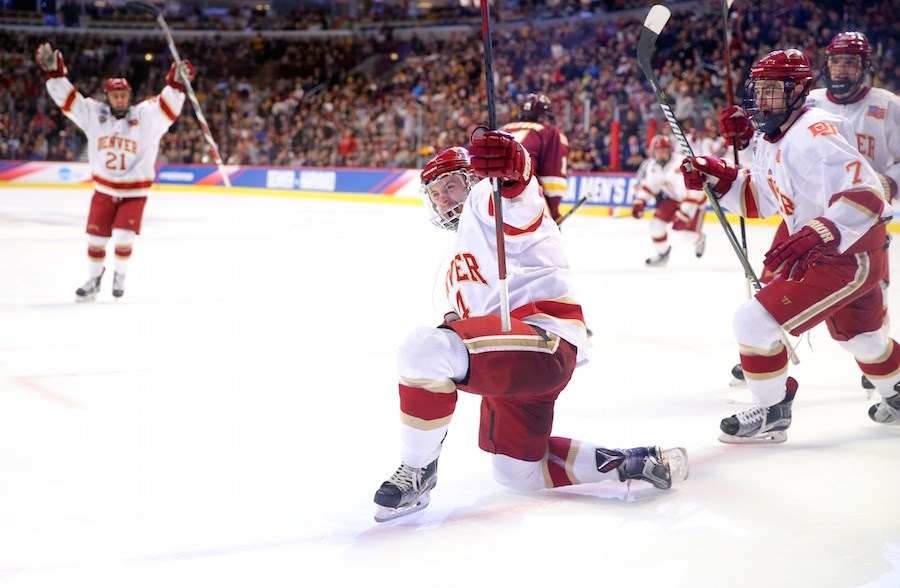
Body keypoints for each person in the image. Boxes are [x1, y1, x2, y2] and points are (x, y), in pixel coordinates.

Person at [372, 129, 688, 522]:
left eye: (450, 185)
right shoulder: (449, 271)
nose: (444, 199)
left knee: (423, 350)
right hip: (511, 362)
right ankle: (633, 462)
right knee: (515, 472)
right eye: (436, 194)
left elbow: (519, 196)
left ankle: (417, 471)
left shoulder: (488, 202)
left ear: (473, 180)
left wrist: (512, 170)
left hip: (544, 338)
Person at [683, 48, 900, 443]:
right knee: (863, 339)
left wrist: (822, 230)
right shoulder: (775, 135)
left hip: (847, 255)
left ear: (800, 90)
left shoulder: (815, 133)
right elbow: (765, 199)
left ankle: (772, 412)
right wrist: (722, 179)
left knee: (752, 321)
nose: (762, 100)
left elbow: (867, 193)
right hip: (845, 251)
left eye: (773, 90)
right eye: (759, 90)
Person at [727, 31, 900, 389]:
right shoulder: (810, 100)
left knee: (866, 317)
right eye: (836, 59)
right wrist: (750, 137)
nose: (841, 67)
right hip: (807, 214)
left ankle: (878, 367)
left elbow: (861, 187)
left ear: (865, 65)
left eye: (850, 61)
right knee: (773, 278)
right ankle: (765, 346)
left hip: (854, 219)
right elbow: (771, 166)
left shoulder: (889, 105)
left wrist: (888, 183)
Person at [35, 42, 195, 301]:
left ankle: (119, 275)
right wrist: (55, 75)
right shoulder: (94, 114)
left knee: (123, 236)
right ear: (107, 97)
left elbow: (167, 107)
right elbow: (70, 101)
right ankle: (94, 279)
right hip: (104, 190)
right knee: (96, 238)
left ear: (129, 96)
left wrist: (176, 86)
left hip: (134, 192)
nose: (119, 99)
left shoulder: (145, 117)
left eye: (123, 95)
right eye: (114, 95)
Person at [631, 134, 707, 266]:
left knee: (686, 236)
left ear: (670, 151)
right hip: (674, 200)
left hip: (694, 202)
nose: (660, 154)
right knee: (655, 226)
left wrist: (684, 216)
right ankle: (662, 254)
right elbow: (650, 186)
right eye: (658, 151)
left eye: (664, 151)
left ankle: (699, 239)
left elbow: (694, 193)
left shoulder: (681, 164)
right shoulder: (653, 166)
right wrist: (640, 202)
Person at [500, 93, 569, 223]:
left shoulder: (504, 128)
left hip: (491, 198)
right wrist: (554, 214)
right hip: (524, 200)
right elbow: (553, 178)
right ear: (544, 117)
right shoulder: (550, 132)